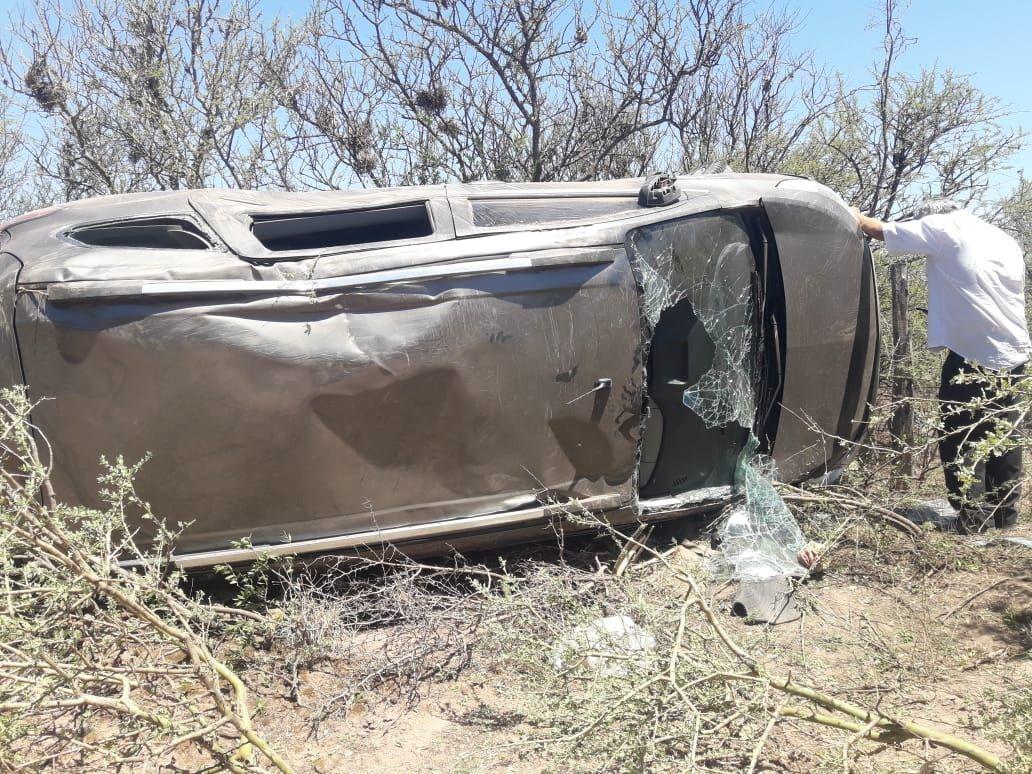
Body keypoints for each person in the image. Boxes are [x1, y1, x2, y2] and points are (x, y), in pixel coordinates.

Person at [852, 199, 1030, 533]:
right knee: (1002, 434)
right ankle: (1004, 516)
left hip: (973, 353)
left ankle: (972, 520)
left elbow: (877, 229)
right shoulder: (1000, 237)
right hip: (1016, 352)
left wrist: (851, 215)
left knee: (958, 435)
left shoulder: (945, 227)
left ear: (930, 218)